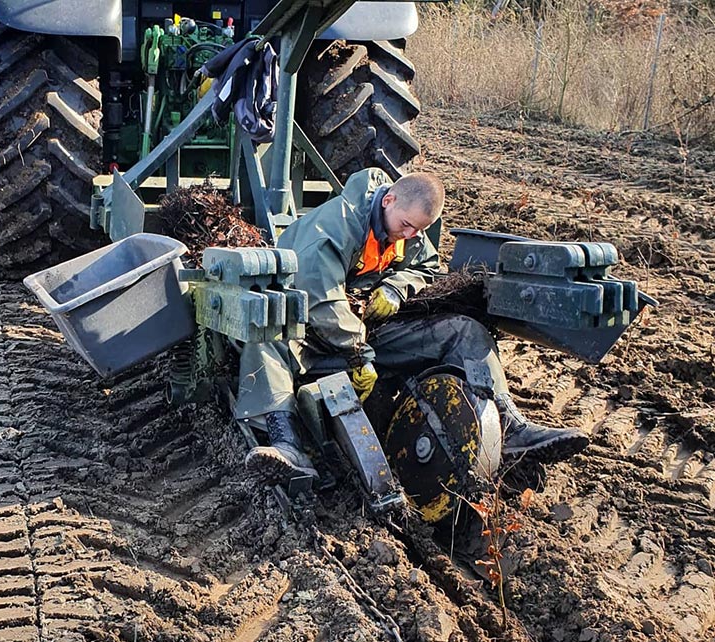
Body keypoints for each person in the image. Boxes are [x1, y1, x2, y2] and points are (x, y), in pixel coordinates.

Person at [237, 168, 590, 485]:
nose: (409, 234)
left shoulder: (407, 230)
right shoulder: (333, 226)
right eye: (406, 225)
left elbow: (426, 267)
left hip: (365, 330)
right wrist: (359, 354)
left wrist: (394, 288)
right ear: (388, 200)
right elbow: (321, 301)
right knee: (266, 340)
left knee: (464, 331)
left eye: (417, 229)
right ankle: (288, 445)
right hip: (307, 326)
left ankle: (509, 426)